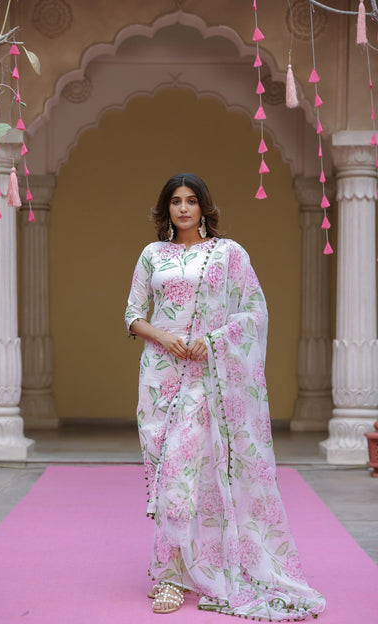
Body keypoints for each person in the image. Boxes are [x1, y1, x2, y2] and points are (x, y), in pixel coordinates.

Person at [124, 173, 325, 620]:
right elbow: (133, 315)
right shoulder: (152, 254)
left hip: (208, 375)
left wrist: (212, 340)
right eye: (174, 201)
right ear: (166, 209)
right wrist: (166, 338)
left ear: (203, 207)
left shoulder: (228, 254)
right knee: (165, 472)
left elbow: (255, 310)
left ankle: (173, 577)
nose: (182, 208)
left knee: (187, 471)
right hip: (160, 374)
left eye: (191, 200)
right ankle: (182, 563)